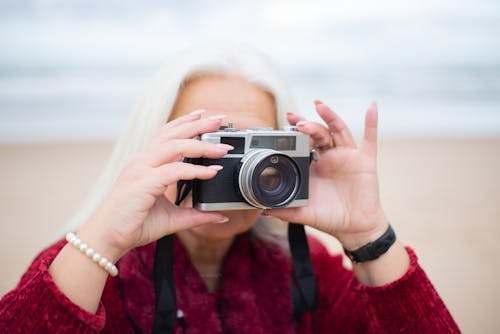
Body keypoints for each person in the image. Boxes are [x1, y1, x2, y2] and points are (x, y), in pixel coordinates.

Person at [0, 46, 459, 333]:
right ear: (152, 145)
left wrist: (368, 234)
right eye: (212, 142)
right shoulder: (90, 269)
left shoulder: (305, 269)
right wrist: (102, 240)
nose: (238, 167)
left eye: (254, 146)